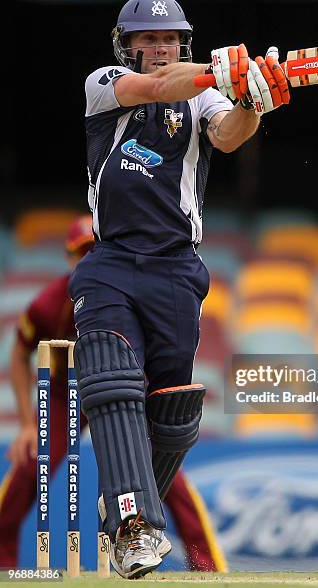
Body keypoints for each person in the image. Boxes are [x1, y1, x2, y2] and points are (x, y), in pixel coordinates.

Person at [68, 0, 289, 579]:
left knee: (172, 411)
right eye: (148, 40)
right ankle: (134, 526)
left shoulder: (205, 96)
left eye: (168, 40)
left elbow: (228, 134)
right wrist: (225, 70)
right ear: (128, 46)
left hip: (176, 268)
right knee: (111, 378)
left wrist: (252, 100)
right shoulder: (106, 84)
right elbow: (157, 89)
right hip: (112, 260)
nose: (160, 49)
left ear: (182, 42)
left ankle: (125, 523)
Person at [0, 215, 228, 573]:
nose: (88, 256)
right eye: (81, 252)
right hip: (68, 396)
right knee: (30, 469)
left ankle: (209, 568)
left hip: (126, 395)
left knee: (166, 481)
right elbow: (20, 350)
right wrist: (29, 424)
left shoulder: (137, 287)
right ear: (71, 259)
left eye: (94, 248)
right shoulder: (52, 301)